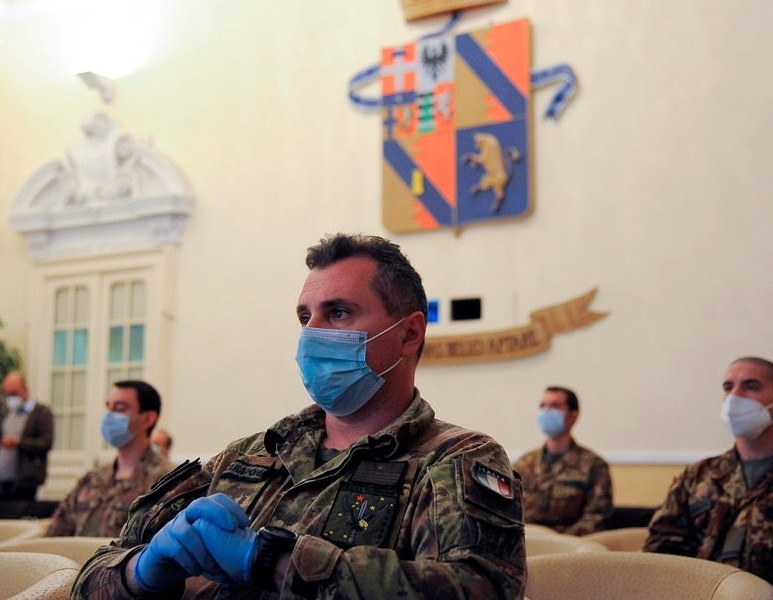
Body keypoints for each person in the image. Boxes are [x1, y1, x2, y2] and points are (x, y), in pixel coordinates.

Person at [73, 233, 525, 600]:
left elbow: (479, 588)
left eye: (338, 313)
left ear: (409, 334)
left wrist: (274, 561)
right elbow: (91, 577)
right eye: (305, 317)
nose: (311, 334)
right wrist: (140, 573)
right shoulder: (246, 457)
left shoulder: (455, 460)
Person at [644, 357, 773, 599]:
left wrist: (766, 597)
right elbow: (661, 551)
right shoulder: (696, 477)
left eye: (750, 386)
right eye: (728, 387)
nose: (734, 396)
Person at [46, 380, 173, 537]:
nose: (109, 415)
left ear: (147, 419)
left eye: (119, 408)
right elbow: (55, 534)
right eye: (108, 407)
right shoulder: (92, 479)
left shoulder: (167, 481)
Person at [513, 386, 612, 535]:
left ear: (573, 416)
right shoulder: (525, 463)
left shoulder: (593, 465)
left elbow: (597, 518)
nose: (546, 412)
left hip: (569, 544)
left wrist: (559, 542)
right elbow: (508, 510)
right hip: (527, 540)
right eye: (543, 406)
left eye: (554, 405)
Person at [0, 371, 55, 501]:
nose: (10, 398)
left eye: (13, 394)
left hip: (26, 480)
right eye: (7, 394)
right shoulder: (10, 414)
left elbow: (46, 443)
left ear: (25, 390)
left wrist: (18, 442)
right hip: (5, 479)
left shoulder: (41, 413)